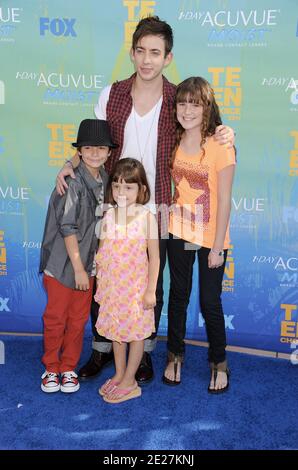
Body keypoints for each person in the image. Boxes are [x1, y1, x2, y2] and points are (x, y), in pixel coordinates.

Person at [55, 16, 235, 384]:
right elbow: (95, 141)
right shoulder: (112, 94)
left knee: (152, 285)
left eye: (156, 52)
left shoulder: (177, 99)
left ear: (168, 57)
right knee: (105, 276)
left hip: (164, 211)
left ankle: (144, 353)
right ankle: (102, 349)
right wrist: (70, 162)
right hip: (114, 207)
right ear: (133, 53)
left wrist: (227, 131)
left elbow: (205, 130)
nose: (147, 60)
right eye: (141, 51)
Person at [162, 77, 236, 393]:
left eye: (195, 103)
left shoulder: (221, 144)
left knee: (209, 302)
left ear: (207, 107)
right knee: (178, 297)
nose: (187, 110)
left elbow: (224, 201)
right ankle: (174, 355)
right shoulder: (171, 139)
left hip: (211, 239)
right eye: (182, 103)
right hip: (178, 232)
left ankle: (219, 363)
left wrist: (217, 247)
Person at [39, 119, 117, 393]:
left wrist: (92, 266)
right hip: (63, 266)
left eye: (101, 148)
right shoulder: (72, 181)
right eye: (88, 148)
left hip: (88, 265)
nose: (95, 153)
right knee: (56, 317)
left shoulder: (107, 180)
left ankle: (68, 366)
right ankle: (51, 367)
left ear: (109, 152)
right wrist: (80, 269)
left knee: (78, 319)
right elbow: (67, 227)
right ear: (79, 152)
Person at [94, 158, 159, 403]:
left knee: (135, 335)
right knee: (116, 334)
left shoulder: (147, 218)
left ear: (141, 189)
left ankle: (131, 380)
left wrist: (150, 290)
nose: (122, 192)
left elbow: (155, 259)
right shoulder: (108, 215)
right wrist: (101, 283)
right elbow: (102, 253)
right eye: (117, 186)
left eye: (128, 187)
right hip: (112, 289)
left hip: (135, 291)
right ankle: (120, 374)